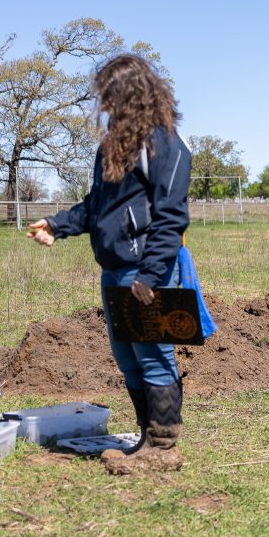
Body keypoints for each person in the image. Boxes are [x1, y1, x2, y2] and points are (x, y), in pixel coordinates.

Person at [27, 53, 191, 475]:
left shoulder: (165, 142)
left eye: (109, 95)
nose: (102, 104)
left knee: (154, 356)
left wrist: (151, 275)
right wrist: (58, 225)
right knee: (128, 358)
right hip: (114, 270)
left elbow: (171, 216)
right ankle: (145, 441)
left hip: (147, 271)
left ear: (131, 94)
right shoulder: (112, 148)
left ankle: (163, 449)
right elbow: (97, 207)